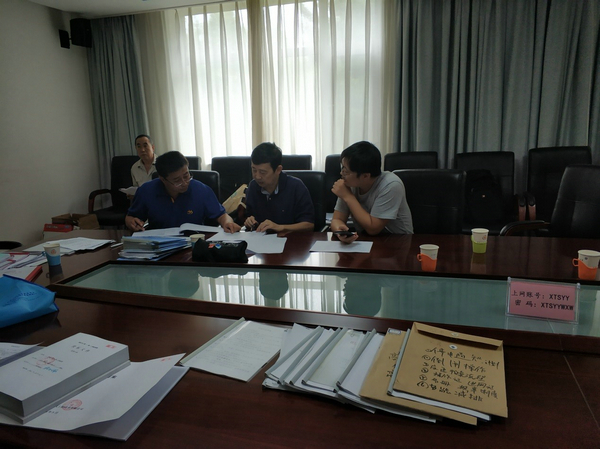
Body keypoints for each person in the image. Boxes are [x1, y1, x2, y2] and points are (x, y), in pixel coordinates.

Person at [125, 151, 240, 233]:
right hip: (159, 246)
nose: (184, 183)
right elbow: (130, 217)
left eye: (186, 176)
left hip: (194, 245)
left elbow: (221, 215)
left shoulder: (201, 190)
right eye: (177, 180)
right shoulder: (146, 191)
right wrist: (131, 222)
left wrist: (227, 223)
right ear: (163, 179)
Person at [330, 141, 413, 243]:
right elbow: (336, 220)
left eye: (346, 171)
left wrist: (348, 197)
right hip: (364, 241)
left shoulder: (391, 185)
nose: (341, 174)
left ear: (365, 176)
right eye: (342, 168)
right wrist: (340, 231)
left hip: (398, 241)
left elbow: (373, 229)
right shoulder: (349, 184)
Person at [244, 142, 315, 233]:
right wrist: (249, 221)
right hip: (261, 239)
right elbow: (249, 216)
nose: (257, 176)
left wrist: (281, 227)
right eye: (254, 170)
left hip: (290, 240)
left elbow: (309, 225)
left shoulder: (296, 187)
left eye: (262, 172)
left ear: (278, 170)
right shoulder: (253, 187)